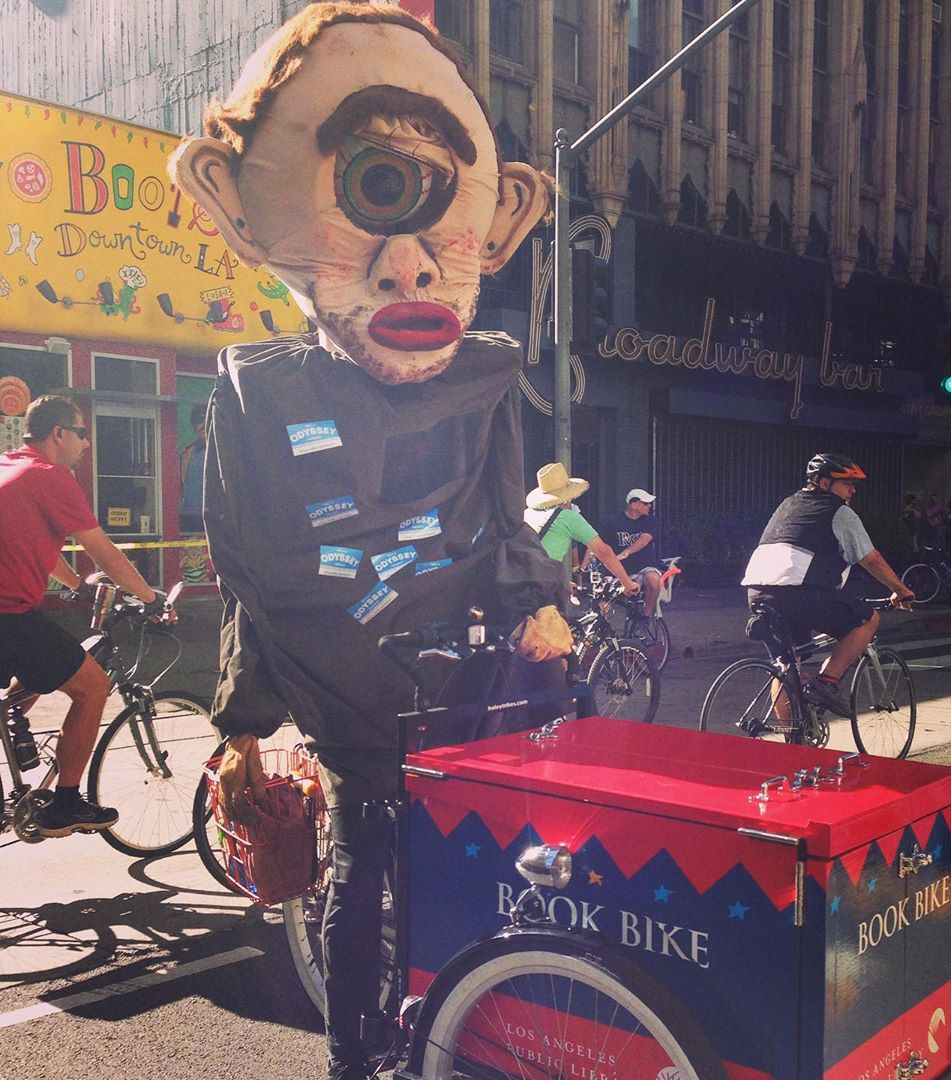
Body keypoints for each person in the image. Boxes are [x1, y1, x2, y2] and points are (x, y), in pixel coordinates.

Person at [170, 7, 570, 1077]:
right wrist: (247, 719)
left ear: (506, 216)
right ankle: (357, 1055)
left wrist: (537, 597)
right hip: (351, 691)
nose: (408, 270)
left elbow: (498, 515)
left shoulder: (486, 375)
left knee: (470, 871)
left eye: (440, 214)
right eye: (374, 191)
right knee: (363, 872)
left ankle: (468, 1030)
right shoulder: (260, 392)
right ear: (235, 205)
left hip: (465, 678)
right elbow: (248, 568)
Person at [0, 394, 165, 837]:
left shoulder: (9, 466)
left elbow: (35, 541)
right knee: (94, 687)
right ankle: (66, 805)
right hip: (7, 615)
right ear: (58, 434)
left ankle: (15, 720)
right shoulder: (50, 476)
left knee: (47, 658)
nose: (87, 444)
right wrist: (151, 598)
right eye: (82, 433)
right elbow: (103, 550)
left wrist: (77, 586)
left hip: (11, 615)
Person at [741, 453, 914, 715]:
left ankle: (791, 742)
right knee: (868, 620)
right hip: (798, 590)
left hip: (757, 590)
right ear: (824, 484)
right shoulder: (839, 511)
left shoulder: (788, 504)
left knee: (788, 664)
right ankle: (826, 683)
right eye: (846, 483)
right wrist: (900, 590)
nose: (853, 490)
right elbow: (871, 560)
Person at [524, 463, 640, 597]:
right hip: (541, 590)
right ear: (567, 498)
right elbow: (603, 551)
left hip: (518, 584)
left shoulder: (527, 513)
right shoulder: (568, 517)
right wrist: (627, 583)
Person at [596, 489, 662, 615]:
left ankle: (646, 617)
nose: (649, 506)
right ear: (634, 505)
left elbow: (645, 539)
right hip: (620, 569)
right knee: (603, 595)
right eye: (646, 503)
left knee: (653, 580)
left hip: (644, 566)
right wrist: (584, 564)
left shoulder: (650, 521)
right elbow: (597, 543)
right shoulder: (611, 522)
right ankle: (601, 627)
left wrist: (626, 552)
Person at [178, 404, 207, 533]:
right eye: (199, 421)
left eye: (207, 420)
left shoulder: (225, 452)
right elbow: (181, 483)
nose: (203, 425)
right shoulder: (187, 453)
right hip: (190, 515)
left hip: (217, 516)